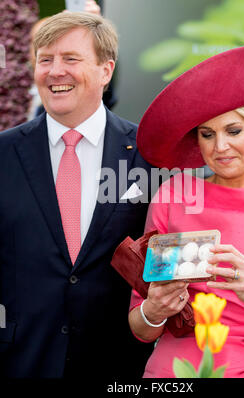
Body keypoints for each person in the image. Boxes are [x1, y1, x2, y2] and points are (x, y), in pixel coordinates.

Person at [129, 44, 244, 378]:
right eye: (207, 134)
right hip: (169, 376)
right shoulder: (174, 194)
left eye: (233, 131)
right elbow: (140, 327)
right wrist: (155, 308)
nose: (220, 146)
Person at [0, 11, 153, 378]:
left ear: (106, 70)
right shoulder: (4, 154)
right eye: (45, 59)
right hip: (20, 361)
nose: (55, 71)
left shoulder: (149, 155)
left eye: (71, 59)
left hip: (119, 365)